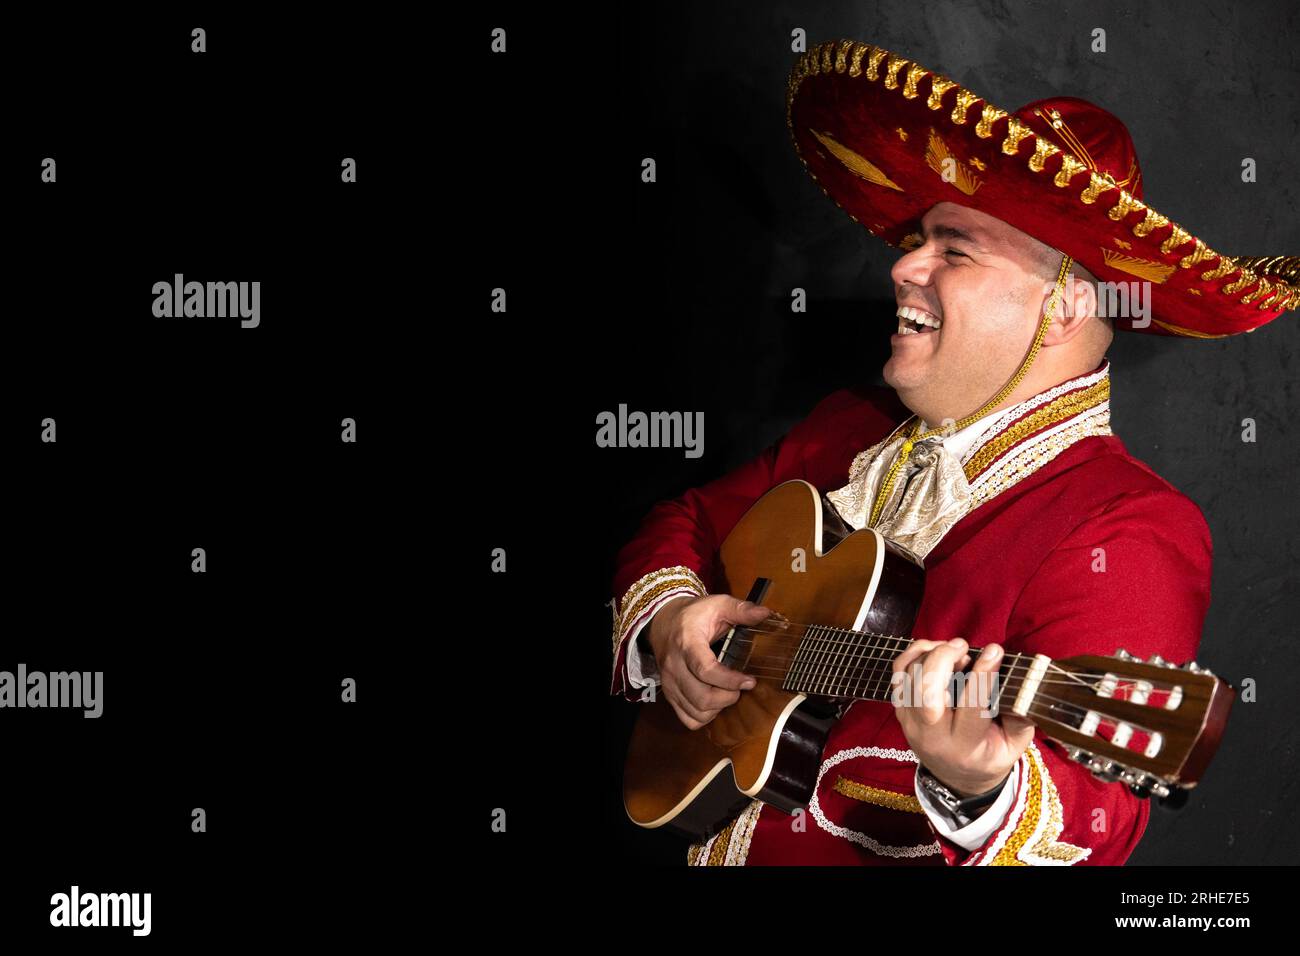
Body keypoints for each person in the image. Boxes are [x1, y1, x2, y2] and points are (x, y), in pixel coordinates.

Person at [607, 38, 1298, 866]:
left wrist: (980, 785)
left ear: (1066, 307)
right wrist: (674, 621)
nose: (904, 267)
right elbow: (683, 520)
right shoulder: (848, 425)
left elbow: (1092, 823)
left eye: (954, 250)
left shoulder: (1128, 526)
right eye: (917, 241)